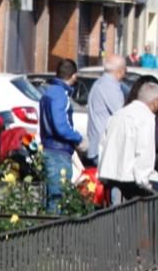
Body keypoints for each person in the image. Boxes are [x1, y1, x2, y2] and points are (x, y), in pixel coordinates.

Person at [97, 81, 158, 204]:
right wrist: (146, 183)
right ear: (155, 101)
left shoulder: (118, 114)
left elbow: (102, 145)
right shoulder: (146, 118)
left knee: (115, 217)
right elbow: (144, 153)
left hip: (110, 176)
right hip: (132, 181)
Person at [39, 58, 86, 213]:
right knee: (57, 199)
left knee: (52, 197)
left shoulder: (50, 91)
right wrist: (77, 138)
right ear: (74, 76)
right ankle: (53, 236)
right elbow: (61, 126)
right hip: (58, 151)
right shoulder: (60, 95)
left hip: (49, 149)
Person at [86, 54, 127, 166]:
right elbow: (122, 115)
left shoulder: (100, 83)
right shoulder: (109, 86)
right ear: (120, 71)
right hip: (105, 148)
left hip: (100, 146)